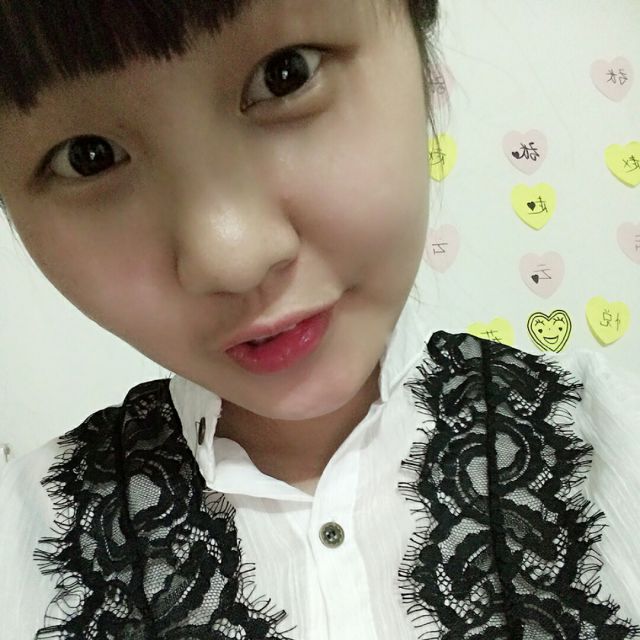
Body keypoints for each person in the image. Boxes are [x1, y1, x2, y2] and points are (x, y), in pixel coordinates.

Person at [0, 1, 638, 638]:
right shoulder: (21, 547)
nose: (233, 257)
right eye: (88, 157)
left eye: (286, 74)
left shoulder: (614, 445)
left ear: (422, 51)